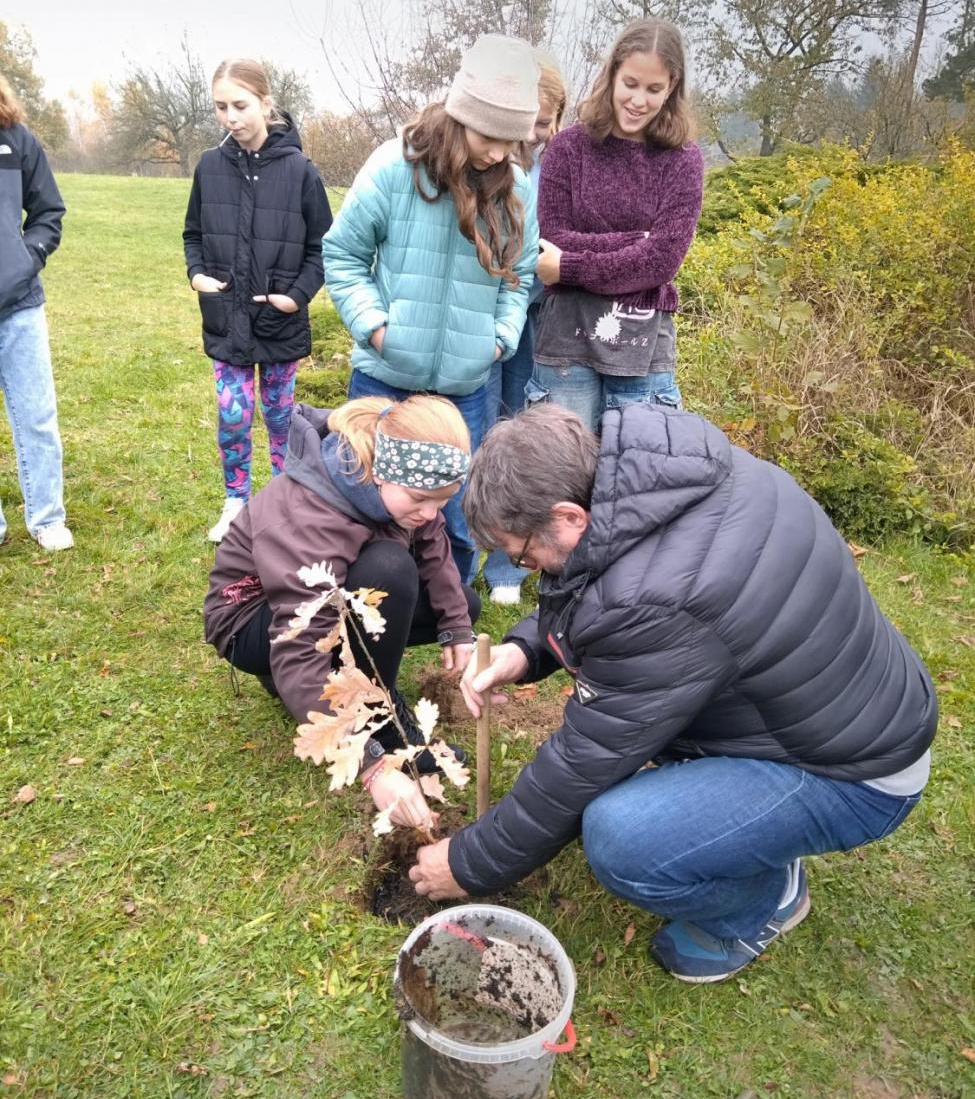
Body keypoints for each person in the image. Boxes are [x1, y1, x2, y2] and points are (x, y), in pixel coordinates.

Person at [409, 403, 937, 984]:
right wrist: (525, 650)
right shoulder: (667, 476)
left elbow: (582, 763)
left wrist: (469, 862)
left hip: (854, 775)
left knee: (622, 838)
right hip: (851, 711)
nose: (526, 567)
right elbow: (598, 586)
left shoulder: (662, 602)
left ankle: (761, 904)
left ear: (569, 515)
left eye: (522, 552)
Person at [324, 34, 542, 584]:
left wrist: (498, 340)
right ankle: (360, 610)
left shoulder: (514, 190)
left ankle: (449, 615)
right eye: (490, 135)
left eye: (510, 141)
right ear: (462, 112)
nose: (498, 153)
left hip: (467, 385)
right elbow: (343, 254)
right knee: (362, 500)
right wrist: (376, 328)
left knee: (458, 515)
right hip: (386, 376)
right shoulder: (395, 166)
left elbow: (520, 276)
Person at [203, 394, 480, 828]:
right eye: (421, 499)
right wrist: (371, 766)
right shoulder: (310, 513)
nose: (430, 514)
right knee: (389, 567)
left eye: (442, 502)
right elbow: (296, 643)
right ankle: (380, 726)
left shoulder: (400, 484)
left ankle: (348, 689)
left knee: (461, 601)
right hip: (254, 622)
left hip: (328, 597)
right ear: (381, 473)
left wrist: (457, 627)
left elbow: (433, 548)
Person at [530, 17, 704, 431]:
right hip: (566, 348)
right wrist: (636, 243)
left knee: (640, 486)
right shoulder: (568, 148)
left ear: (672, 88)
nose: (638, 100)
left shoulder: (683, 160)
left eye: (653, 89)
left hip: (643, 354)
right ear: (612, 75)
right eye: (630, 83)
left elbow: (662, 261)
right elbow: (552, 240)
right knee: (560, 477)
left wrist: (571, 267)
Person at [184, 57, 332, 543]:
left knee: (280, 416)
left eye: (240, 105)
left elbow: (323, 248)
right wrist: (197, 275)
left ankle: (283, 502)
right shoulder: (209, 166)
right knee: (233, 414)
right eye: (221, 106)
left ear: (266, 105)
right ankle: (236, 500)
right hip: (227, 320)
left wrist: (296, 297)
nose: (231, 117)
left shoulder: (301, 171)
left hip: (279, 323)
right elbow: (192, 233)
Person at [482, 53, 567, 606]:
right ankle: (469, 547)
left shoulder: (560, 163)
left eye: (544, 122)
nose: (533, 134)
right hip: (492, 314)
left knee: (522, 433)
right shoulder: (489, 161)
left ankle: (508, 564)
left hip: (543, 322)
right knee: (484, 431)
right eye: (527, 122)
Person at [0, 73, 72, 551]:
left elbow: (48, 211)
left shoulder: (18, 141)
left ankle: (47, 518)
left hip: (20, 305)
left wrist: (26, 259)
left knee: (37, 415)